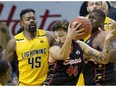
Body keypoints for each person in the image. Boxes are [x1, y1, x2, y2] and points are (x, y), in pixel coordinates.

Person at [44, 20, 114, 85]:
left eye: (61, 36)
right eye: (56, 37)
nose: (58, 40)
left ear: (68, 33)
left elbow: (104, 60)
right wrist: (69, 37)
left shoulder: (80, 45)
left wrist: (106, 41)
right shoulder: (54, 49)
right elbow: (63, 56)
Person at [2, 8, 55, 86]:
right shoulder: (15, 41)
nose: (32, 20)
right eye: (28, 19)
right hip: (24, 84)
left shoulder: (47, 36)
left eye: (33, 18)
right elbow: (4, 64)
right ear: (21, 23)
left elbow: (60, 53)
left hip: (44, 83)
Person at [82, 9, 116, 85]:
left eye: (94, 18)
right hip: (92, 81)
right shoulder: (91, 37)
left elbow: (114, 55)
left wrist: (94, 55)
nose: (90, 20)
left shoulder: (102, 35)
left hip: (103, 82)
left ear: (102, 21)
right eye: (89, 18)